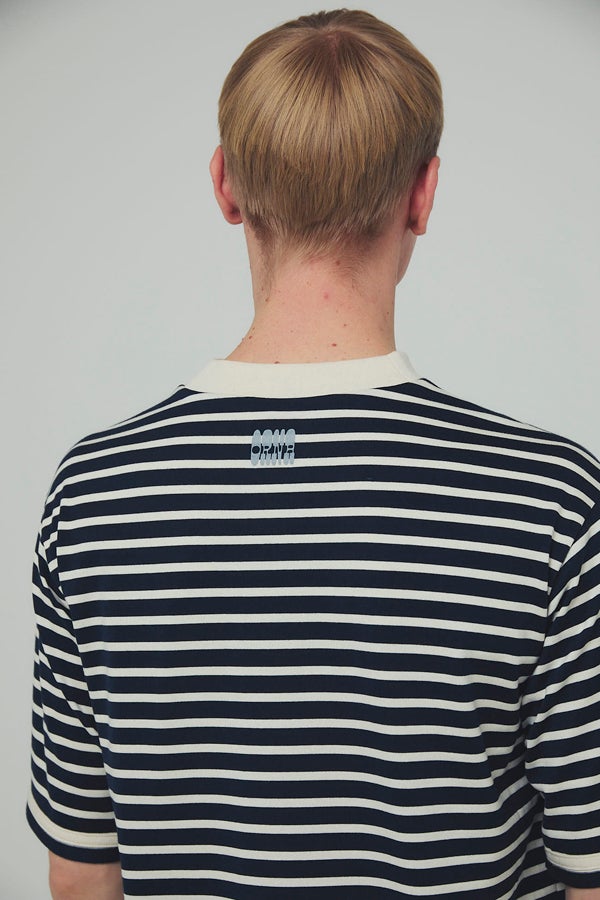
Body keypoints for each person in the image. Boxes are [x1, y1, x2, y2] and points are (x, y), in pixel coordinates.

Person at [26, 9, 600, 900]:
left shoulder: (96, 496)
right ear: (424, 194)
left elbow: (81, 877)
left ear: (224, 185)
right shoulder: (549, 502)